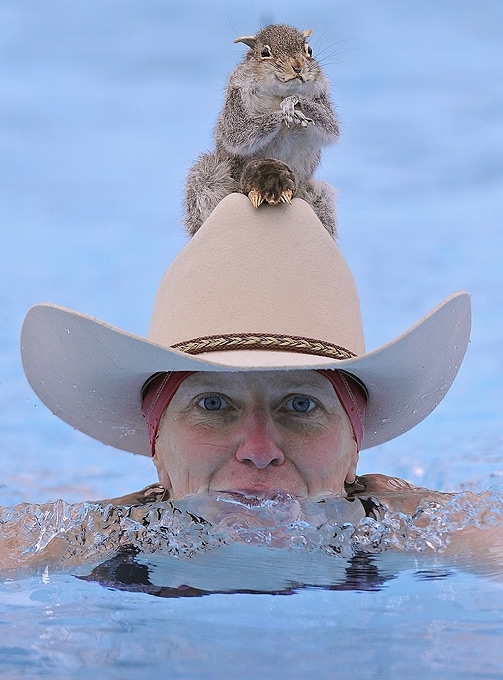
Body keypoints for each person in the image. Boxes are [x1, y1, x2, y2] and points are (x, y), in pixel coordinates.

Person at [20, 189, 470, 509]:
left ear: (355, 448)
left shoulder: (408, 531)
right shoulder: (97, 541)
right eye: (212, 404)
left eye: (300, 404)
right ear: (158, 448)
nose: (259, 450)